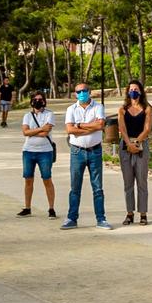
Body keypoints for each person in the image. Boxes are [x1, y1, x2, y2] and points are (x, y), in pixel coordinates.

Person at [60, 82, 112, 230]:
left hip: (95, 151)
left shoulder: (98, 107)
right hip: (77, 152)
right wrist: (90, 126)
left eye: (84, 91)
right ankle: (71, 218)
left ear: (89, 91)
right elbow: (70, 129)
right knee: (75, 187)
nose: (81, 93)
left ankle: (101, 219)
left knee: (97, 187)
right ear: (75, 94)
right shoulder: (71, 109)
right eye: (78, 91)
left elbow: (100, 126)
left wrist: (80, 126)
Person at [112, 81, 152, 225]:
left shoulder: (147, 108)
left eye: (136, 89)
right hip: (125, 146)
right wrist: (128, 143)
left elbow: (147, 128)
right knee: (128, 182)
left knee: (142, 181)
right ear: (127, 92)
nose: (134, 91)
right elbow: (122, 128)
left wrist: (136, 142)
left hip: (141, 144)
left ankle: (143, 214)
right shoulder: (123, 109)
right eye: (131, 89)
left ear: (141, 91)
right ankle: (129, 213)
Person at [19, 90, 58, 218]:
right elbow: (25, 132)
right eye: (35, 99)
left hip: (45, 152)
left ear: (44, 101)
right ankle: (27, 207)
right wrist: (41, 128)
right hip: (28, 151)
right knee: (28, 180)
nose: (38, 101)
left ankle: (51, 208)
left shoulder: (50, 114)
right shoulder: (27, 116)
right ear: (31, 101)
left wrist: (32, 131)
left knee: (47, 179)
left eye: (40, 99)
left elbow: (45, 133)